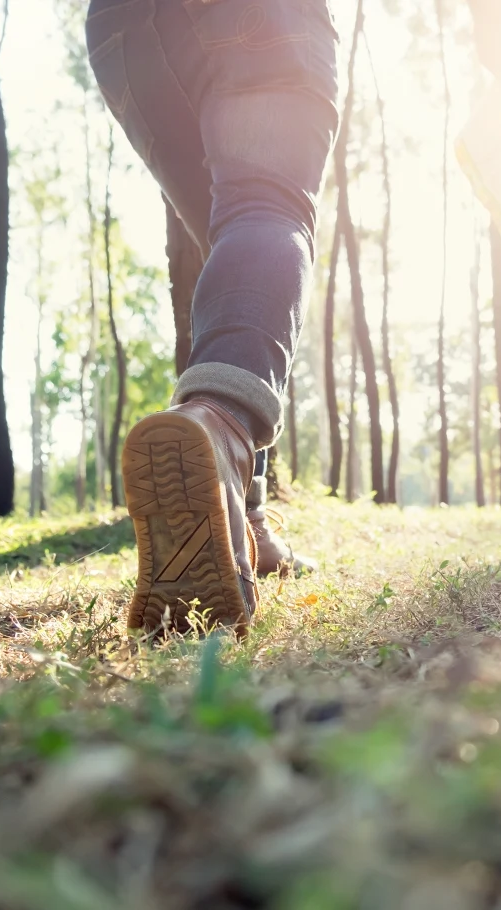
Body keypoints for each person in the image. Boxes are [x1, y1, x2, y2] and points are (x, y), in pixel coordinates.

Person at [85, 0, 342, 636]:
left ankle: (246, 521)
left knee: (233, 239)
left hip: (124, 34)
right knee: (267, 208)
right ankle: (222, 427)